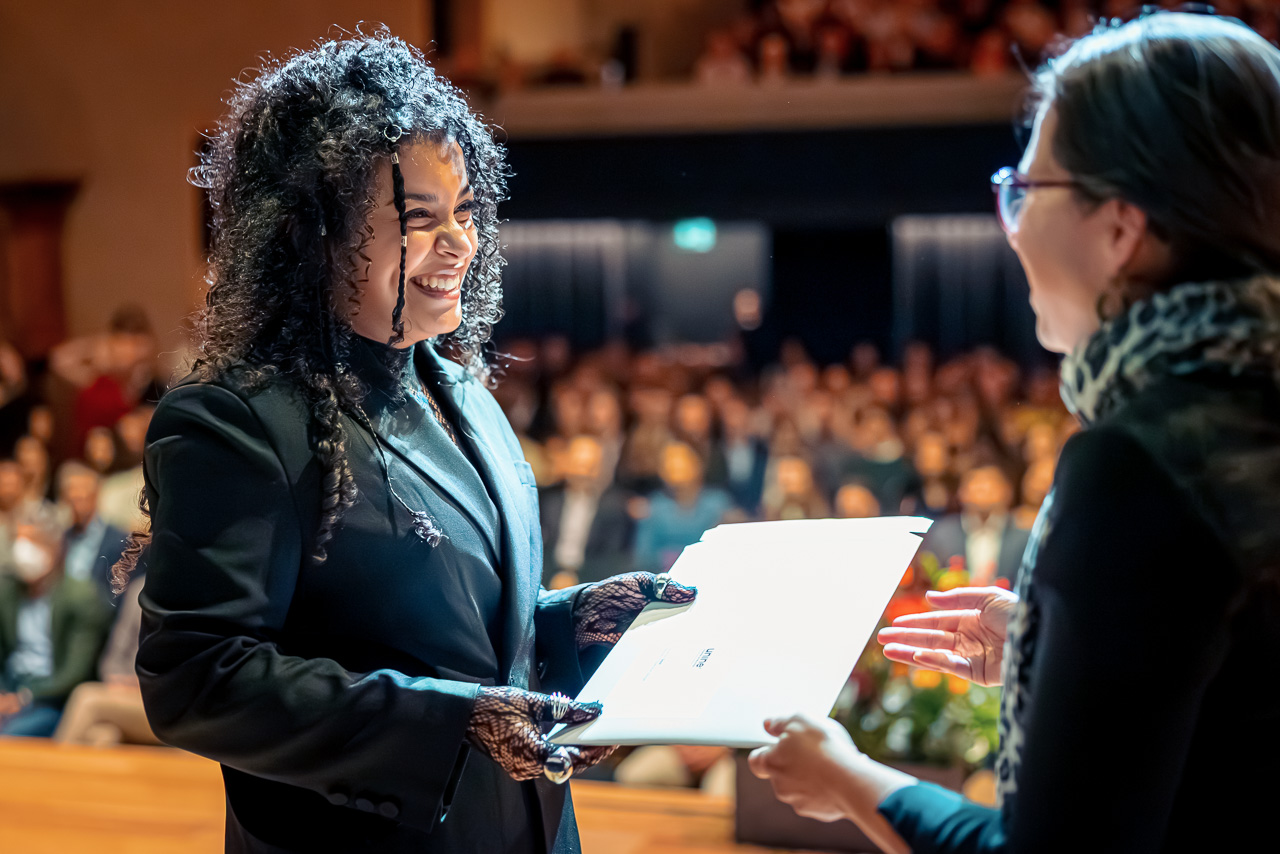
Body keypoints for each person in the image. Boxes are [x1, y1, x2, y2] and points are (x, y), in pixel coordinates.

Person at [119, 35, 693, 854]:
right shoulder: (237, 419)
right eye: (418, 218)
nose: (458, 242)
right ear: (313, 234)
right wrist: (448, 722)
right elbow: (195, 677)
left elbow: (468, 633)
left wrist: (578, 623)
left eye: (464, 210)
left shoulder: (465, 391)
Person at [748, 12, 1280, 852]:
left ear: (1121, 227)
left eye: (1026, 191)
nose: (1012, 223)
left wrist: (848, 779)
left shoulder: (1142, 462)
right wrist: (1059, 649)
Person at [0, 521, 114, 736]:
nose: (22, 549)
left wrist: (24, 697)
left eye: (32, 541)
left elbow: (74, 672)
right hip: (11, 687)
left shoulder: (81, 597)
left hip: (51, 697)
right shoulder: (7, 591)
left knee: (10, 736)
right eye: (18, 540)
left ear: (54, 548)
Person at [921, 464, 1029, 587]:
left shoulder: (1024, 538)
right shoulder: (942, 534)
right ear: (961, 493)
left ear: (1008, 492)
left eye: (990, 483)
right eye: (976, 484)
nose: (983, 489)